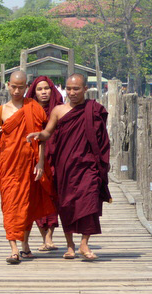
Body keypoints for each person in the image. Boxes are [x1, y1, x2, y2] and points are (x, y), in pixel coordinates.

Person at [27, 73, 111, 261]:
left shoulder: (94, 109)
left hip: (88, 164)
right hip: (65, 165)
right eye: (69, 88)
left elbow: (102, 139)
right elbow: (48, 133)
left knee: (89, 201)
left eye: (76, 89)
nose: (72, 92)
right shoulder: (58, 110)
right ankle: (70, 245)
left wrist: (103, 162)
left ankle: (84, 243)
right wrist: (38, 135)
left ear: (85, 90)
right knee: (67, 205)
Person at [0, 70, 56, 264]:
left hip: (29, 165)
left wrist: (41, 162)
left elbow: (41, 138)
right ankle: (13, 249)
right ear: (8, 85)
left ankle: (24, 245)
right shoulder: (0, 111)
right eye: (13, 86)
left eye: (21, 87)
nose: (16, 90)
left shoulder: (33, 107)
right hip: (8, 165)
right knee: (10, 205)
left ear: (26, 87)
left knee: (27, 205)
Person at [25, 76, 63, 252]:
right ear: (34, 92)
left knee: (53, 197)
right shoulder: (28, 110)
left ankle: (50, 236)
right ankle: (43, 236)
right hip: (35, 159)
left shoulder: (60, 109)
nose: (44, 92)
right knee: (38, 197)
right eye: (39, 89)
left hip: (56, 158)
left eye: (46, 88)